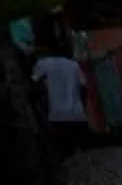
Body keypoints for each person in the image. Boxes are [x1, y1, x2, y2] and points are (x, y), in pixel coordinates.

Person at [31, 25, 94, 168]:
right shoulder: (73, 65)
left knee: (65, 159)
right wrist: (81, 106)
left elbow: (35, 87)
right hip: (77, 115)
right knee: (86, 156)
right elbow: (84, 89)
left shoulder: (42, 64)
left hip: (57, 117)